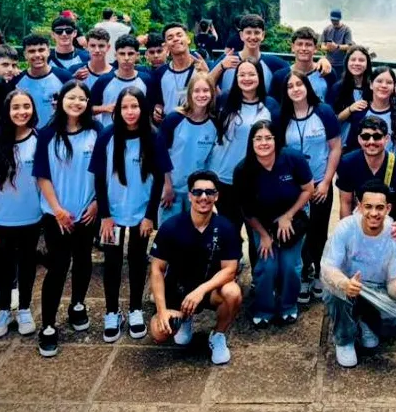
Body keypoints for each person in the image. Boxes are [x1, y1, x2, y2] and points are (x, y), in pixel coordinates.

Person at [92, 89, 169, 342]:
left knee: (137, 261)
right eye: (124, 107)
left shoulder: (154, 137)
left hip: (140, 214)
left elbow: (159, 180)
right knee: (112, 263)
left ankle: (135, 308)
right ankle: (112, 311)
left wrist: (150, 216)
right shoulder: (106, 137)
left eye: (134, 106)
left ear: (142, 108)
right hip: (112, 215)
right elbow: (99, 180)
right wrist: (104, 215)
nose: (130, 112)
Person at [33, 81, 101, 358]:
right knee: (58, 266)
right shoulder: (48, 134)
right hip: (56, 214)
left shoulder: (97, 131)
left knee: (84, 260)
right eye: (71, 98)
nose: (76, 103)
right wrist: (57, 210)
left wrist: (97, 203)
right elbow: (42, 175)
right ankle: (48, 325)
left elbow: (103, 172)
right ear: (61, 101)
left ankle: (78, 305)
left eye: (82, 99)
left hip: (87, 212)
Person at [148, 170, 243, 365]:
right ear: (190, 195)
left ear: (216, 196)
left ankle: (217, 335)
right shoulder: (172, 226)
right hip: (179, 291)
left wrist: (200, 291)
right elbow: (157, 269)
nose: (203, 197)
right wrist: (162, 309)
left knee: (233, 292)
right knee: (159, 332)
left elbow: (230, 269)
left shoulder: (225, 228)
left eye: (209, 192)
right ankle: (185, 320)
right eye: (198, 192)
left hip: (209, 290)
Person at [320, 179, 396, 368]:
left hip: (377, 289)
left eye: (379, 207)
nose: (374, 213)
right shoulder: (346, 227)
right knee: (334, 291)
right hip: (349, 285)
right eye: (368, 207)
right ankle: (344, 339)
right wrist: (344, 283)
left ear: (388, 208)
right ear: (360, 207)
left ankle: (367, 323)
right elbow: (328, 267)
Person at [235, 120, 314, 326]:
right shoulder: (243, 170)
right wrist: (263, 235)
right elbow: (246, 210)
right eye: (258, 138)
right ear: (251, 142)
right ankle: (264, 308)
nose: (264, 143)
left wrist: (288, 216)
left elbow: (308, 189)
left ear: (276, 140)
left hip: (292, 220)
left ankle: (288, 305)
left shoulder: (292, 159)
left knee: (290, 266)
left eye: (268, 138)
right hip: (261, 223)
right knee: (267, 266)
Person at [0, 89, 42, 340]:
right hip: (0, 218)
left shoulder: (40, 139)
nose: (21, 111)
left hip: (31, 216)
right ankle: (4, 310)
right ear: (7, 110)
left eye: (26, 106)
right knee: (1, 267)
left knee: (27, 265)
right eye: (16, 107)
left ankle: (24, 308)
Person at [276, 71, 342, 304]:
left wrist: (326, 182)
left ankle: (319, 273)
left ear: (307, 87)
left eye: (299, 84)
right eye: (290, 86)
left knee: (319, 230)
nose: (295, 89)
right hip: (295, 187)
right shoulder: (283, 117)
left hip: (320, 182)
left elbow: (335, 148)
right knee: (299, 230)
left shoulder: (323, 112)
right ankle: (303, 274)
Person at [206, 60, 280, 228]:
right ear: (236, 78)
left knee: (257, 229)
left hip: (255, 178)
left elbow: (278, 142)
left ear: (260, 77)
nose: (247, 78)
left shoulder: (270, 106)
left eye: (252, 74)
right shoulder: (224, 99)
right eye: (242, 75)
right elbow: (201, 89)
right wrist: (221, 66)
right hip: (223, 176)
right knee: (228, 229)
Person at [336, 115, 396, 243]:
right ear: (359, 139)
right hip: (362, 227)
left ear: (386, 139)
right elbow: (346, 202)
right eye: (365, 136)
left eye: (377, 137)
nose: (371, 142)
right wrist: (347, 232)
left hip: (393, 231)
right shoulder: (347, 164)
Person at [157, 72, 219, 222]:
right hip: (173, 188)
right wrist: (167, 185)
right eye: (197, 91)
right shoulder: (175, 119)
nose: (201, 95)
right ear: (190, 94)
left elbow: (210, 160)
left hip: (198, 192)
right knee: (170, 233)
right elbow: (160, 152)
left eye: (205, 90)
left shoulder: (214, 123)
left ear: (212, 93)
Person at [345, 66, 396, 172]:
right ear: (371, 84)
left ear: (394, 86)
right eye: (379, 81)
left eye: (389, 82)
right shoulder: (361, 111)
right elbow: (352, 148)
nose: (384, 85)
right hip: (369, 174)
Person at [210, 14, 289, 94]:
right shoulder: (227, 60)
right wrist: (221, 66)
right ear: (241, 35)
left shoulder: (273, 63)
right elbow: (206, 84)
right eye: (248, 32)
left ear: (263, 35)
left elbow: (294, 76)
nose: (252, 37)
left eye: (257, 33)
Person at [147, 22, 210, 122]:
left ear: (188, 39)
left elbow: (217, 97)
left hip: (198, 124)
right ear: (165, 46)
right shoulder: (160, 73)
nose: (176, 39)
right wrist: (157, 109)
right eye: (170, 37)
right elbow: (157, 101)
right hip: (170, 127)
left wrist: (208, 75)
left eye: (179, 35)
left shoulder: (203, 67)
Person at [12, 34, 71, 128]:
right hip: (28, 136)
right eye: (32, 51)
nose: (37, 55)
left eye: (41, 50)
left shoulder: (65, 77)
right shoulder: (16, 80)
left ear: (48, 51)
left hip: (57, 134)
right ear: (25, 54)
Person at [92, 33, 149, 128]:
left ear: (137, 55)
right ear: (116, 55)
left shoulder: (146, 80)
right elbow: (88, 108)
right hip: (110, 135)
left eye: (130, 54)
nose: (126, 58)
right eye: (122, 54)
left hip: (139, 135)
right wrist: (105, 108)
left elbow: (152, 108)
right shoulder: (104, 80)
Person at [270, 26, 336, 102]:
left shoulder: (326, 72)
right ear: (293, 47)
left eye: (308, 45)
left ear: (316, 48)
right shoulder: (280, 77)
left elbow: (333, 104)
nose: (304, 48)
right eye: (300, 44)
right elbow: (274, 106)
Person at [328, 45, 372, 143]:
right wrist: (350, 109)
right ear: (347, 62)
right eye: (353, 60)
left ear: (367, 63)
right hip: (344, 141)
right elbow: (333, 120)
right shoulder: (338, 87)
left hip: (369, 140)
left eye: (361, 60)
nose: (356, 63)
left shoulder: (373, 87)